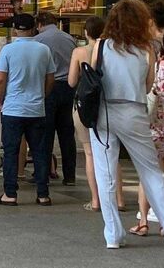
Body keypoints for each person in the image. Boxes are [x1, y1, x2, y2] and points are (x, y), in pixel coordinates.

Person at [82, 0, 164, 248]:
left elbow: (93, 76)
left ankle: (113, 235)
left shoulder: (102, 45)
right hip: (134, 111)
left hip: (104, 112)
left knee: (105, 173)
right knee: (150, 171)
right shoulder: (147, 49)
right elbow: (148, 83)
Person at [0, 13, 55, 207]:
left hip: (13, 107)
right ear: (34, 28)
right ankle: (43, 194)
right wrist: (41, 96)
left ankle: (10, 194)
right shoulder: (44, 50)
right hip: (36, 108)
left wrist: (1, 99)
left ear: (14, 29)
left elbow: (1, 79)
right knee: (40, 151)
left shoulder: (8, 50)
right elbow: (50, 78)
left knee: (11, 151)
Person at [67, 17, 125, 213]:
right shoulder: (113, 50)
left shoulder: (79, 52)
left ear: (86, 32)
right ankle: (120, 199)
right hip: (108, 105)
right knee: (112, 152)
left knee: (90, 153)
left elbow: (72, 82)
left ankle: (95, 200)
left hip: (85, 105)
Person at [130, 1, 164, 235]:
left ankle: (144, 220)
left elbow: (147, 87)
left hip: (155, 126)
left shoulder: (153, 55)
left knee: (149, 172)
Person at [35, 12, 78, 185]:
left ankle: (43, 173)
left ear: (39, 24)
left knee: (46, 133)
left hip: (48, 86)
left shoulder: (39, 40)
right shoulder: (69, 39)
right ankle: (70, 176)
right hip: (68, 86)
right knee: (67, 133)